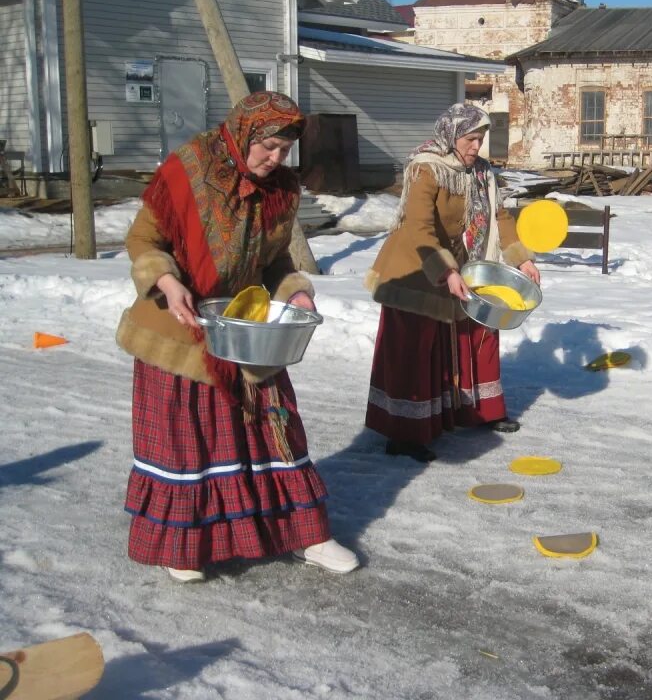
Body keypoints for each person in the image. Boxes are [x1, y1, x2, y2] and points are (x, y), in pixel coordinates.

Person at [116, 91, 358, 583]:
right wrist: (167, 281)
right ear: (245, 132)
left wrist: (296, 293)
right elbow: (143, 239)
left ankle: (306, 533)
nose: (275, 159)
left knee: (275, 426)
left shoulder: (281, 189)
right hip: (179, 324)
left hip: (242, 323)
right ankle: (184, 547)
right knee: (189, 442)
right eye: (268, 146)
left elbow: (274, 262)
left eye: (285, 150)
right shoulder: (188, 169)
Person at [364, 104, 539, 463]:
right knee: (415, 350)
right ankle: (403, 433)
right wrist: (444, 270)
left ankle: (479, 410)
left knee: (475, 337)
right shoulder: (427, 169)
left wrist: (520, 256)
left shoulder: (481, 174)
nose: (477, 146)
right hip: (415, 267)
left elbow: (499, 214)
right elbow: (417, 226)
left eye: (481, 139)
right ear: (450, 134)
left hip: (462, 266)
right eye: (470, 138)